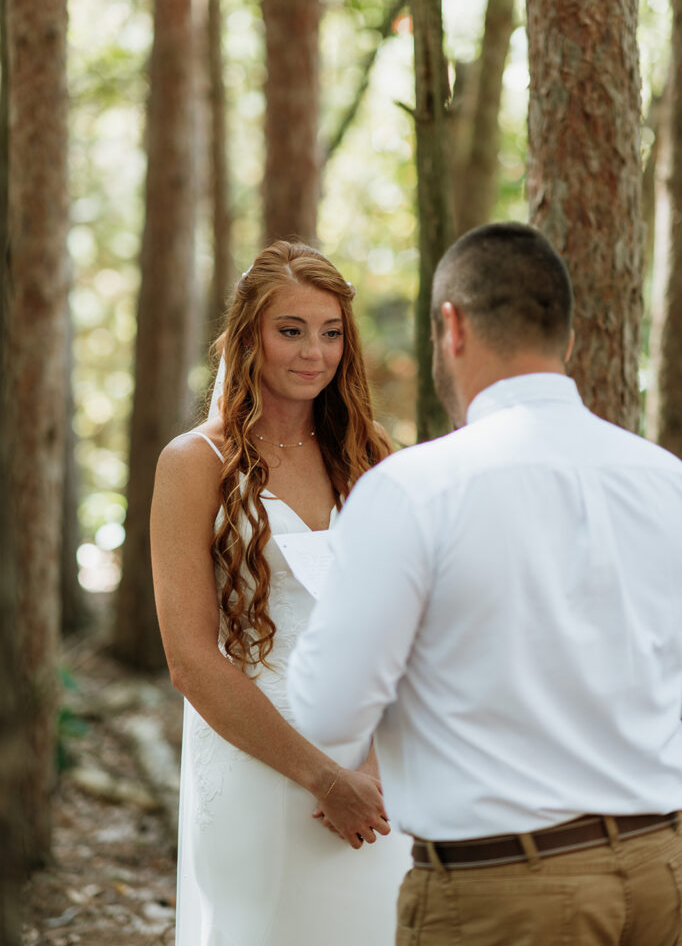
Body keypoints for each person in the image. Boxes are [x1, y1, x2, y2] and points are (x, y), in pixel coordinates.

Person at [287, 221, 682, 946]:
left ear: (452, 325)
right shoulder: (667, 482)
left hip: (507, 895)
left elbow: (327, 712)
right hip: (665, 874)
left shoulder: (413, 491)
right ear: (566, 339)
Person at [150, 240, 411, 946]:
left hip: (376, 773)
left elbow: (414, 624)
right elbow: (190, 659)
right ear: (250, 335)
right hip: (260, 765)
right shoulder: (193, 463)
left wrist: (375, 768)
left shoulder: (371, 454)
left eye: (330, 333)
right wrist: (324, 778)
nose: (312, 353)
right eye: (290, 330)